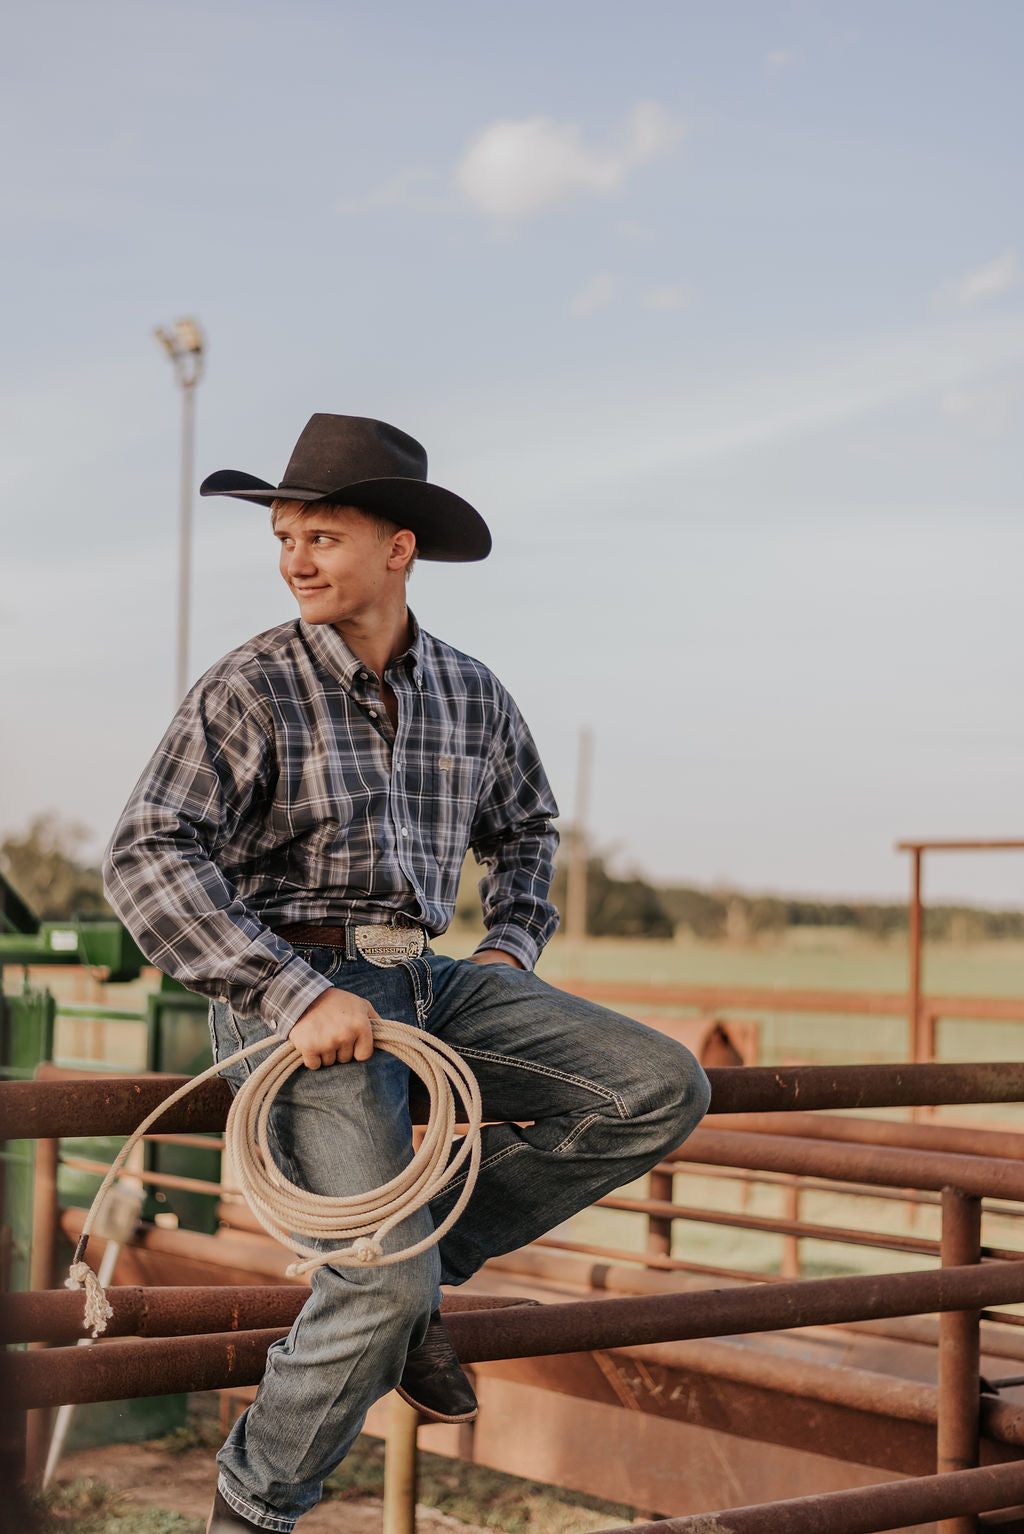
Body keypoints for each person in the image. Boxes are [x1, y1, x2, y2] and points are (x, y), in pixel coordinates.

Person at [103, 413, 711, 1533]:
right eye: (284, 538)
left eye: (321, 537)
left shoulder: (471, 692)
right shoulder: (251, 684)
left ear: (398, 548)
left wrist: (509, 945)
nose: (294, 561)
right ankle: (252, 1505)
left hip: (431, 980)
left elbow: (526, 829)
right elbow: (147, 853)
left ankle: (418, 1284)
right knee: (379, 1277)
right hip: (294, 989)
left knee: (658, 1086)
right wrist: (293, 993)